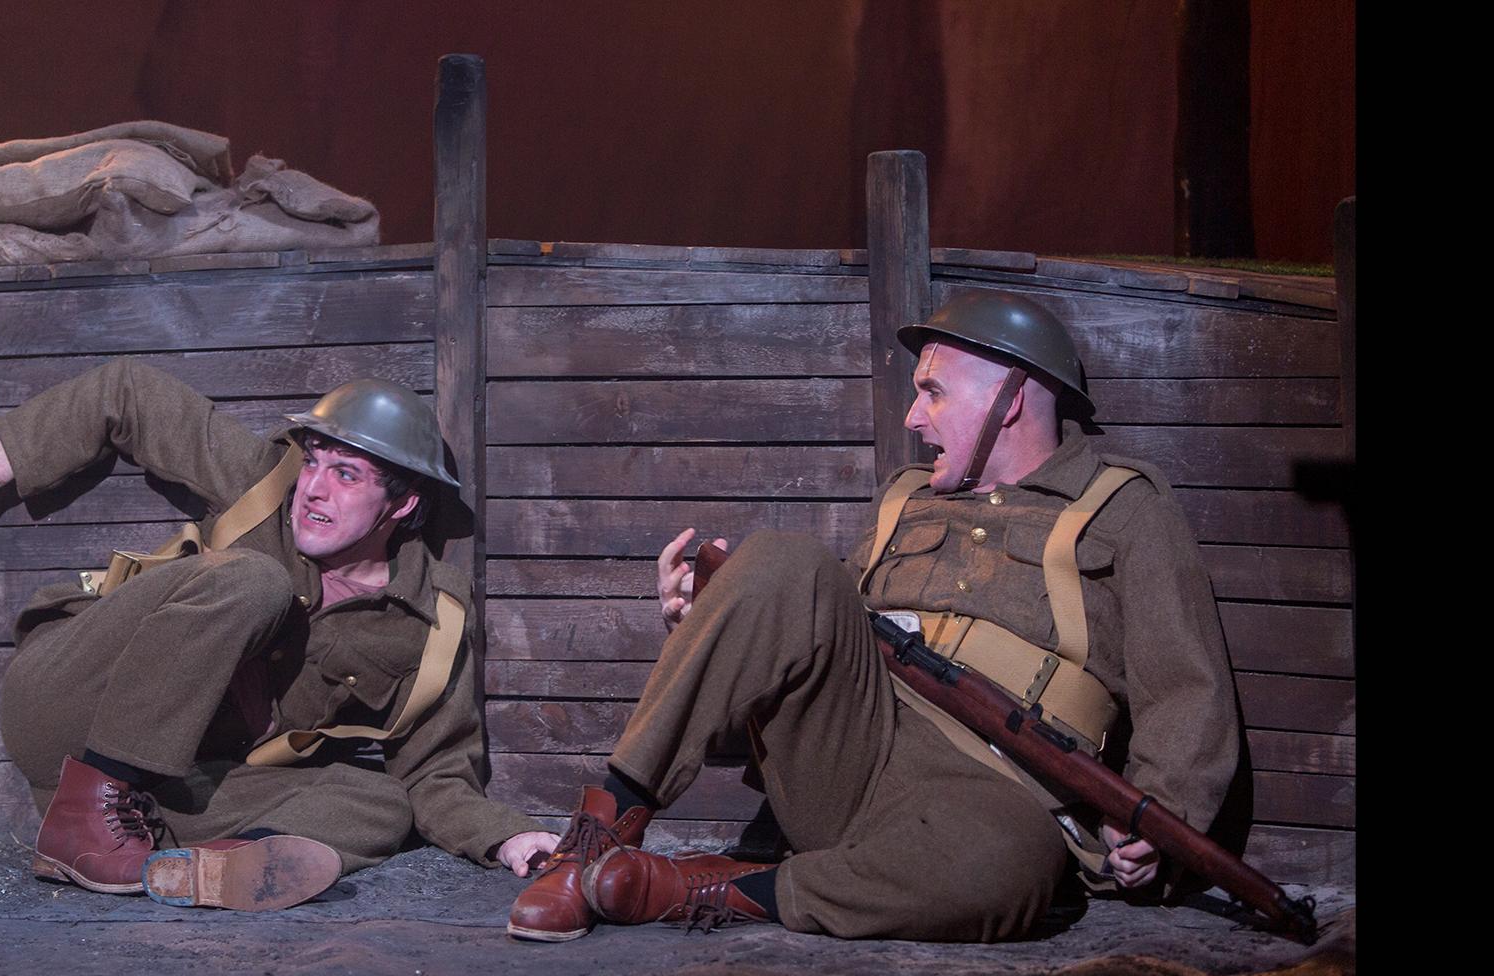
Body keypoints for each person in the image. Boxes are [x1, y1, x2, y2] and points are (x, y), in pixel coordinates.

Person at [508, 290, 1239, 943]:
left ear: (1009, 399)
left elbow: (1186, 687)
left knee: (1015, 864)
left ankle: (708, 891)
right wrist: (711, 627)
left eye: (934, 393)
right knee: (782, 561)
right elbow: (799, 658)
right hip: (851, 754)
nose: (913, 417)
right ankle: (594, 845)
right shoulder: (903, 501)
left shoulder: (1124, 509)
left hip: (989, 798)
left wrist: (1161, 821)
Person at [0, 360, 557, 910]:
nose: (312, 489)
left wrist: (507, 837)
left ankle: (219, 868)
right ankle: (89, 815)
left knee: (381, 801)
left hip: (159, 795)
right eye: (314, 463)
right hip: (67, 696)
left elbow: (437, 773)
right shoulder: (262, 485)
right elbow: (128, 393)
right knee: (254, 582)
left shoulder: (432, 620)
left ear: (404, 503)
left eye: (347, 475)